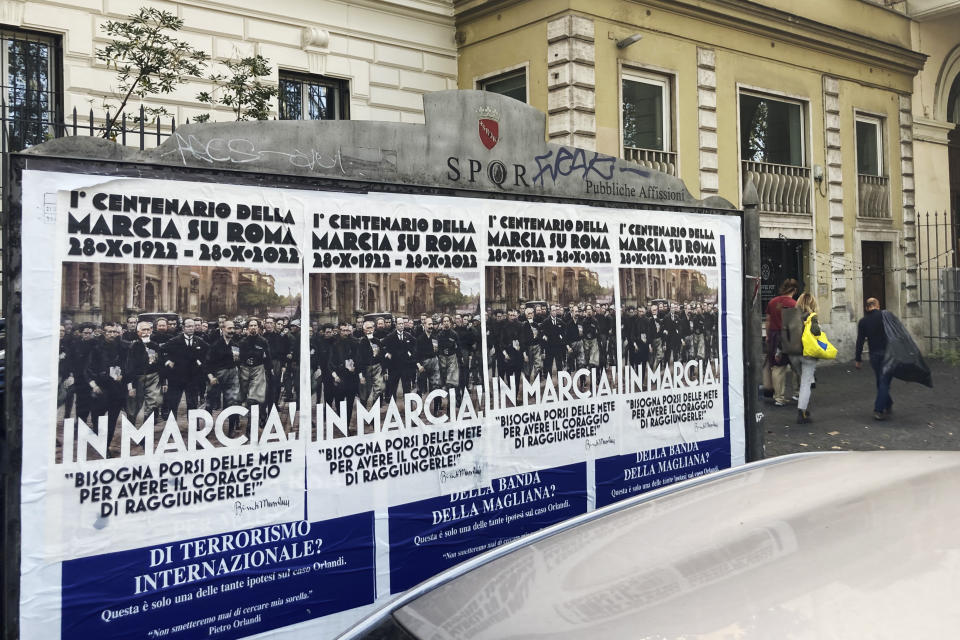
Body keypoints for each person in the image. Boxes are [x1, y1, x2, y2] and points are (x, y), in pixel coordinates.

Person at [854, 297, 892, 420]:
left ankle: (888, 403)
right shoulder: (886, 316)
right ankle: (879, 409)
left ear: (867, 307)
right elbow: (896, 333)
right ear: (878, 305)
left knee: (880, 380)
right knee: (884, 381)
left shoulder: (863, 321)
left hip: (874, 355)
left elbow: (860, 341)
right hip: (887, 353)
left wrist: (858, 358)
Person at [765, 279, 799, 406]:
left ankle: (779, 397)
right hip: (790, 337)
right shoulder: (794, 304)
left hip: (775, 336)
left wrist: (768, 336)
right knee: (796, 367)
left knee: (778, 368)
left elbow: (768, 321)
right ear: (794, 290)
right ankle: (797, 393)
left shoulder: (772, 302)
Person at [794, 293, 820, 424]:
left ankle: (803, 407)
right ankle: (802, 412)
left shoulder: (792, 315)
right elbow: (816, 332)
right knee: (806, 383)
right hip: (807, 354)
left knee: (802, 379)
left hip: (793, 353)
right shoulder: (812, 317)